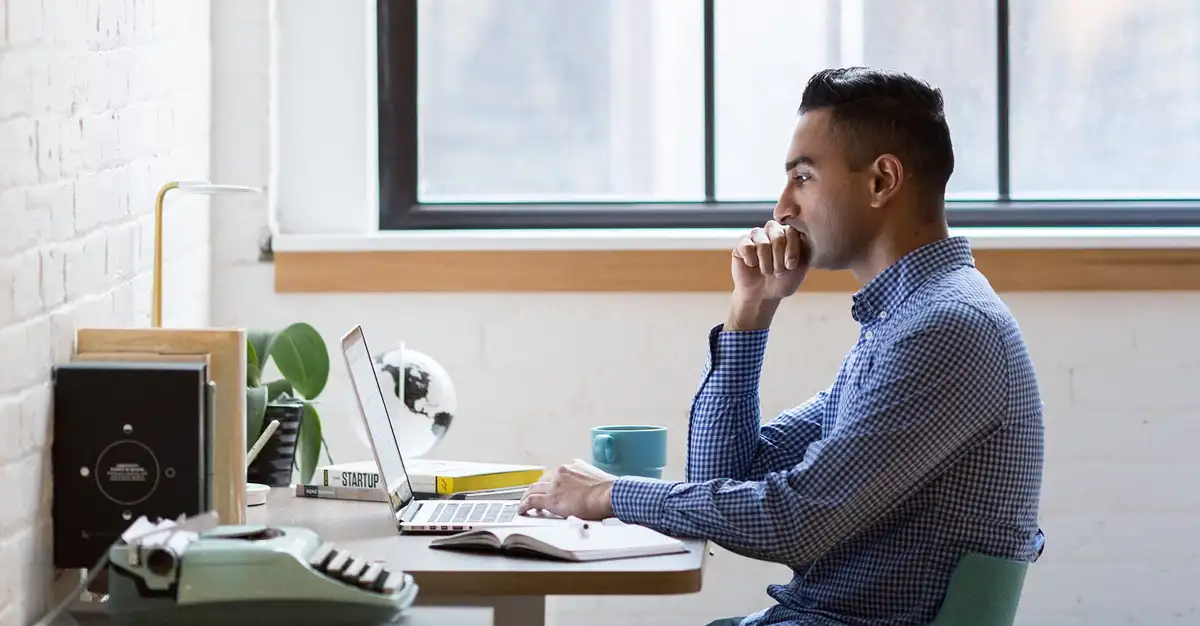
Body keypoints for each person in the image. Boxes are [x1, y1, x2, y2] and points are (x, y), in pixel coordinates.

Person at [518, 67, 1045, 625]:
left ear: (881, 181)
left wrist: (610, 495)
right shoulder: (903, 323)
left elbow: (795, 522)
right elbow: (724, 476)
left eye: (804, 177)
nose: (781, 208)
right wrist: (751, 311)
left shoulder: (945, 330)